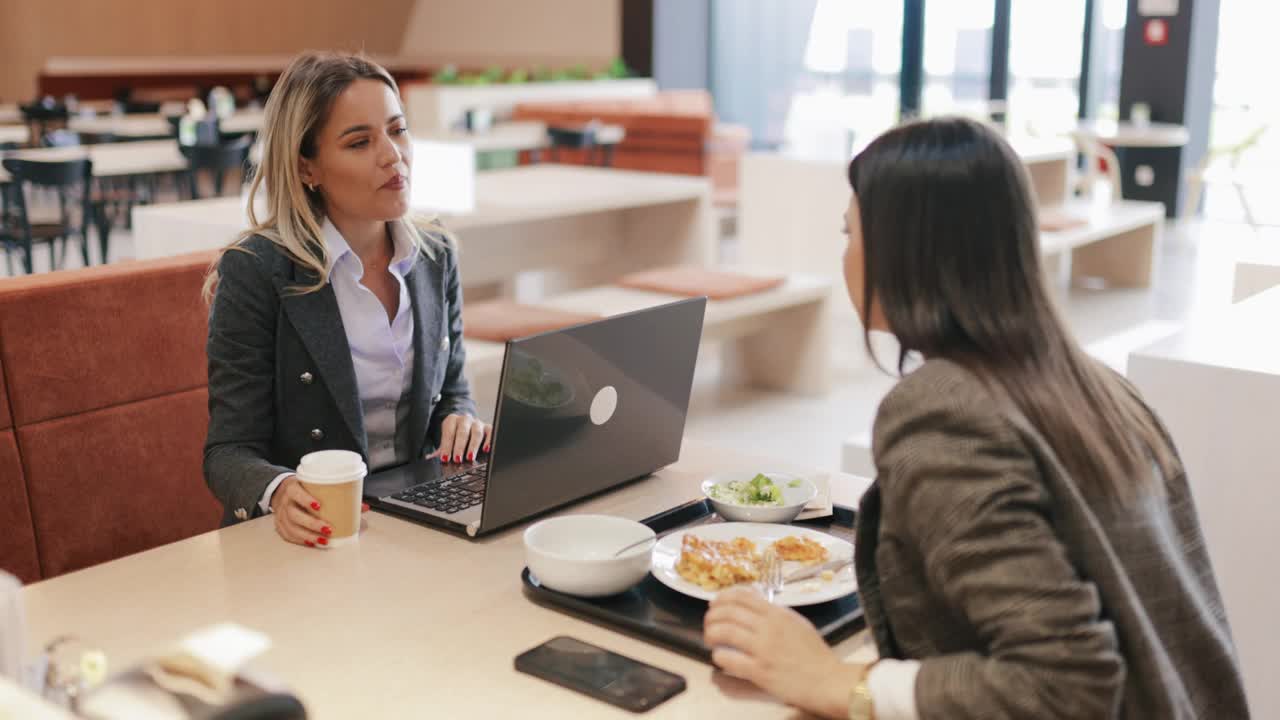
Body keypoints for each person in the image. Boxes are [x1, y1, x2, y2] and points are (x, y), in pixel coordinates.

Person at [703, 117, 1248, 719]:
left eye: (848, 233)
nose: (846, 256)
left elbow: (1066, 686)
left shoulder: (942, 411)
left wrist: (836, 682)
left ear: (903, 253)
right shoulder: (1098, 386)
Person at [202, 51, 490, 548]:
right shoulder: (256, 270)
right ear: (306, 167)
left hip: (415, 523)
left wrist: (460, 420)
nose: (392, 155)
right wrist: (279, 489)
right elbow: (228, 452)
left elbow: (453, 391)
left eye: (397, 130)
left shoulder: (435, 253)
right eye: (360, 142)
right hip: (309, 537)